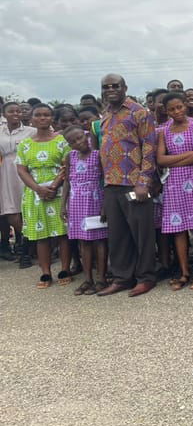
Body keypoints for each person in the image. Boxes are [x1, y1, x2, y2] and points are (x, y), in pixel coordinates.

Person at [95, 74, 158, 297]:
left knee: (142, 234)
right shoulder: (105, 114)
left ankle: (146, 277)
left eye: (115, 86)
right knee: (118, 235)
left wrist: (144, 182)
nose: (110, 89)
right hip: (111, 183)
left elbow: (149, 149)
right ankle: (122, 278)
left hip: (134, 183)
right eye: (106, 86)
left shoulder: (139, 112)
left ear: (125, 87)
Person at [157, 92, 193, 291]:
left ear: (184, 106)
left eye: (179, 107)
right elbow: (160, 160)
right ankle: (184, 271)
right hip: (173, 184)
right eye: (172, 109)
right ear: (166, 111)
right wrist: (188, 155)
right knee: (178, 230)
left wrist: (179, 158)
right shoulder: (163, 131)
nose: (177, 111)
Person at [15, 104, 71, 288]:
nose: (42, 118)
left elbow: (67, 166)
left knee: (62, 232)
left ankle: (65, 268)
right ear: (31, 119)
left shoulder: (62, 141)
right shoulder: (25, 144)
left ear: (52, 118)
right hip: (35, 192)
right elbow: (21, 169)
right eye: (38, 115)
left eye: (46, 115)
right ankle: (45, 272)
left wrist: (54, 186)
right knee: (42, 235)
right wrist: (38, 189)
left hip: (59, 190)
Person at [61, 124, 108, 295]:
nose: (79, 142)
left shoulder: (98, 155)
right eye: (73, 141)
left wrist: (105, 204)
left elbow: (106, 179)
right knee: (84, 241)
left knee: (100, 240)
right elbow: (67, 181)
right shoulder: (70, 157)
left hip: (96, 200)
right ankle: (88, 279)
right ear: (69, 145)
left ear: (87, 136)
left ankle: (101, 278)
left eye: (80, 137)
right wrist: (63, 206)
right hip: (76, 202)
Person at [0, 102, 35, 264]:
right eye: (11, 111)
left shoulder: (31, 131)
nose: (15, 114)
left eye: (18, 111)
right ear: (4, 114)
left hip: (25, 171)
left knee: (26, 209)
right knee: (11, 212)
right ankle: (23, 239)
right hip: (4, 171)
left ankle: (26, 247)